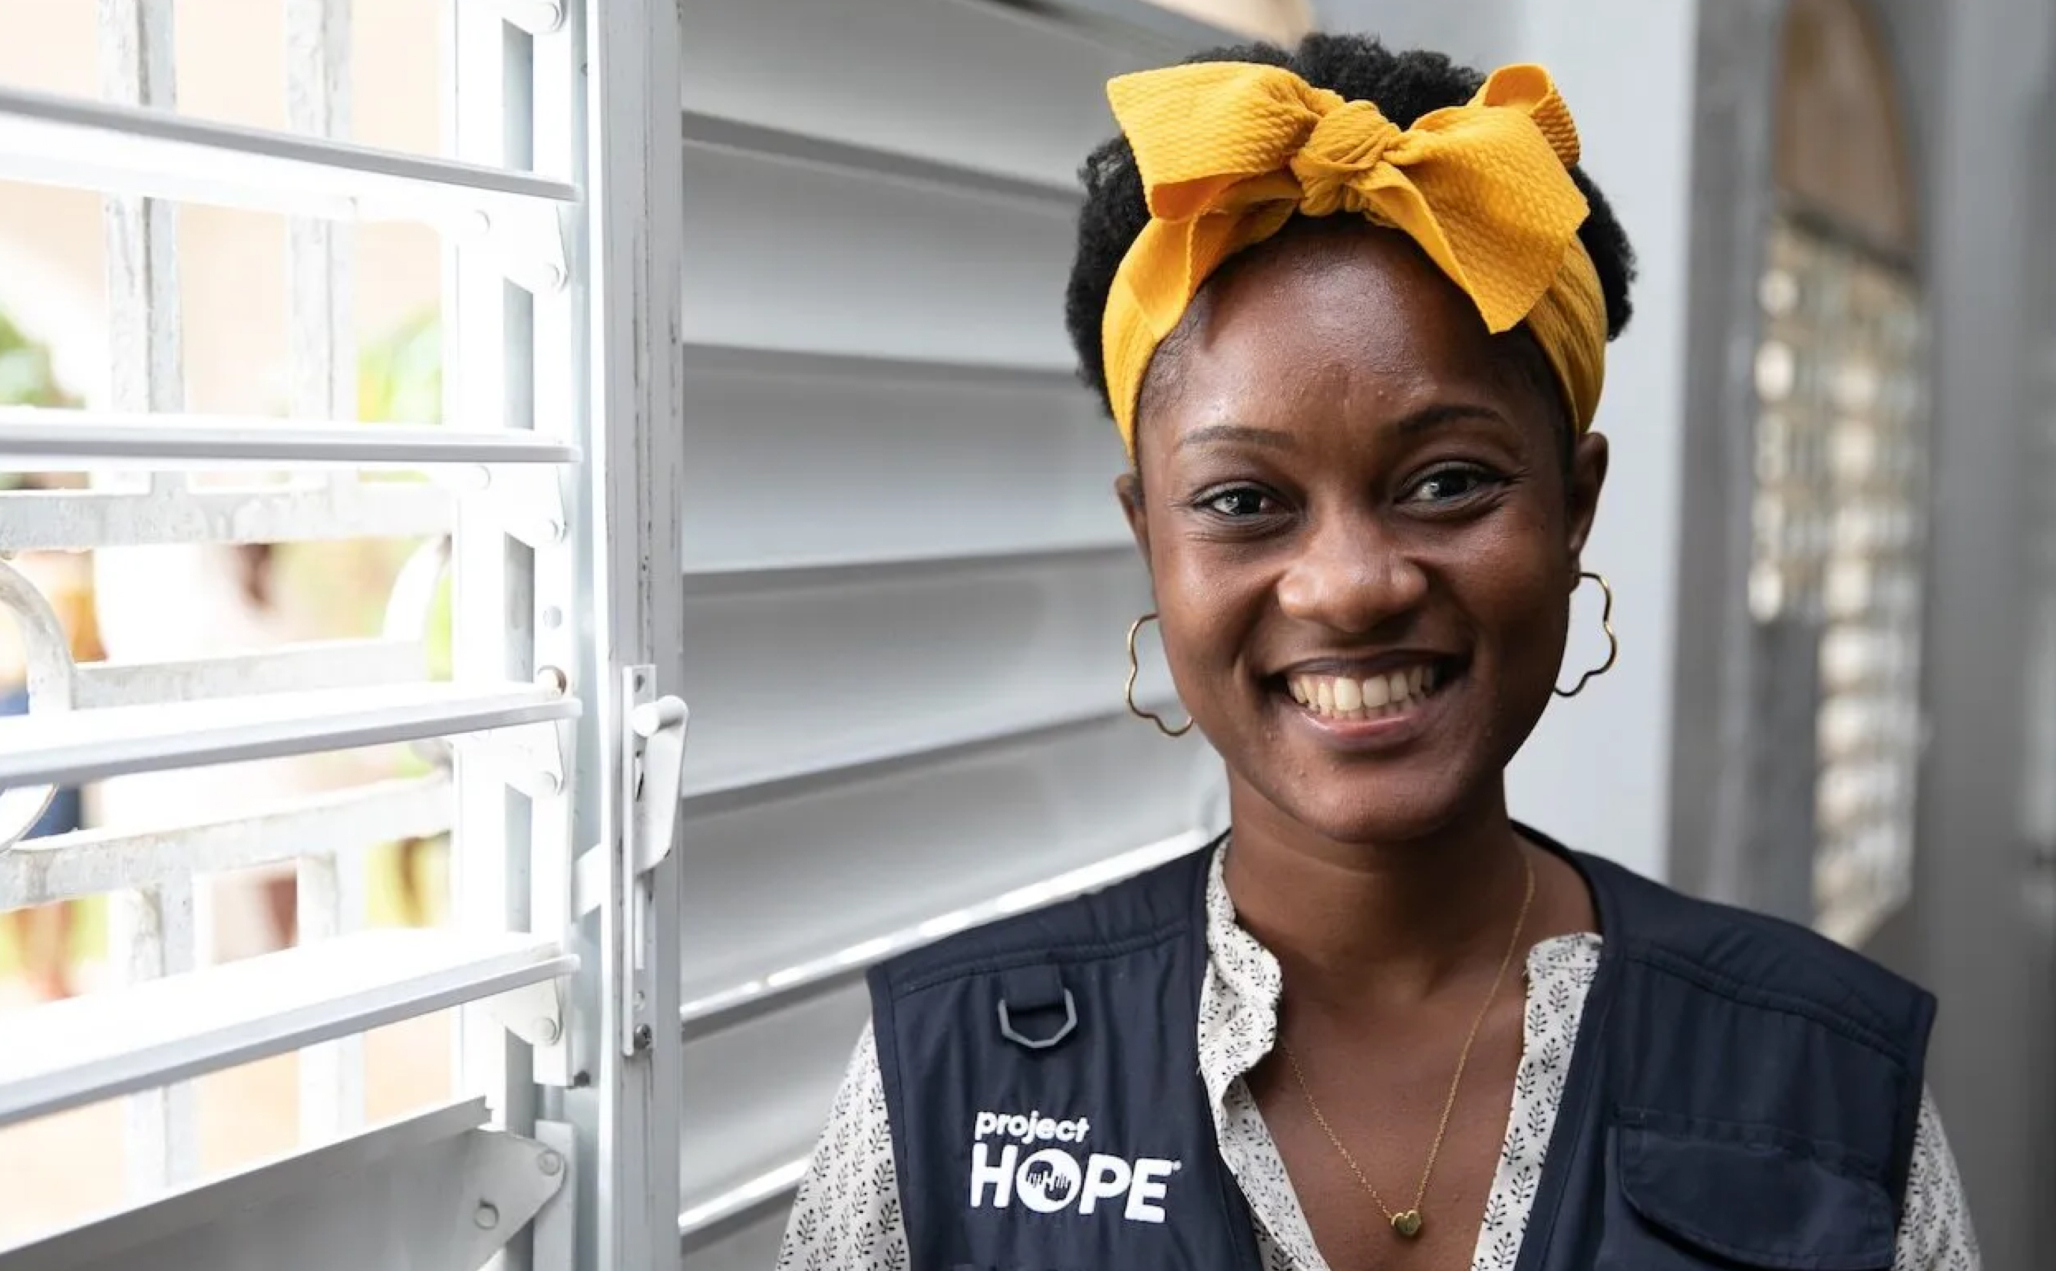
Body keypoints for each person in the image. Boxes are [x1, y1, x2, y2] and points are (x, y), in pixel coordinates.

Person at [776, 33, 1978, 1271]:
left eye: (1448, 481)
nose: (1350, 587)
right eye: (1244, 500)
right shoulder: (947, 1077)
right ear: (1149, 536)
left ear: (1574, 506)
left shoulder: (1828, 1083)